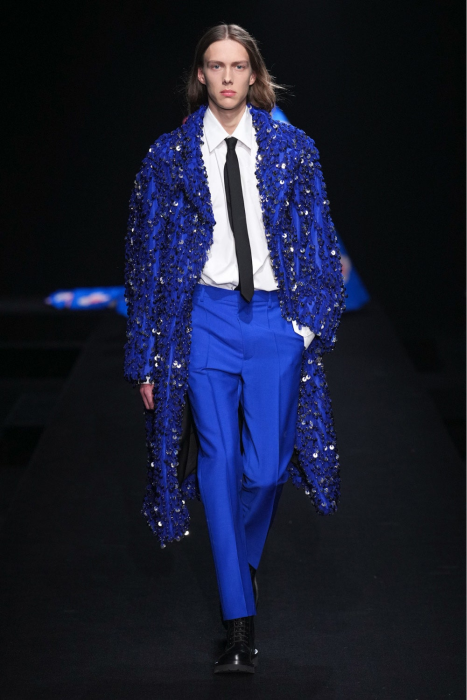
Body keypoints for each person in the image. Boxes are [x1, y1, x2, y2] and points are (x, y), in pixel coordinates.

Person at [124, 23, 345, 674]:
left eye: (237, 66)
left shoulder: (291, 149)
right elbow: (143, 258)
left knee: (267, 469)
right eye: (215, 66)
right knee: (218, 462)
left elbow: (319, 240)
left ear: (254, 74)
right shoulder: (169, 155)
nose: (226, 77)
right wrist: (145, 355)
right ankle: (239, 627)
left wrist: (304, 330)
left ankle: (236, 568)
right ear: (200, 75)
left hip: (275, 323)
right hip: (203, 320)